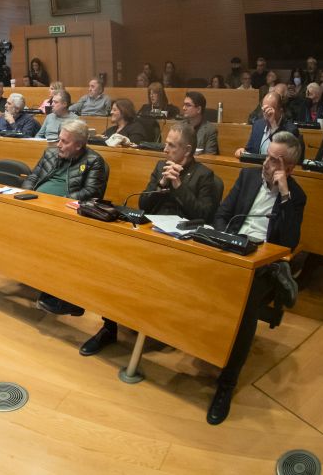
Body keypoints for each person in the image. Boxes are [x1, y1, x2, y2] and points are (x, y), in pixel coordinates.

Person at [80, 121, 220, 356]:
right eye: (166, 144)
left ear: (187, 150)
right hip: (151, 231)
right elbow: (143, 204)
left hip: (182, 241)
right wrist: (162, 183)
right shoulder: (160, 167)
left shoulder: (205, 176)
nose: (165, 150)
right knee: (114, 263)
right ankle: (109, 327)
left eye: (172, 146)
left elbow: (204, 216)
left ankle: (158, 326)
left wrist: (178, 185)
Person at [207, 132, 306, 425]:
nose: (266, 164)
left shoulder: (296, 196)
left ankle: (227, 383)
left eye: (275, 160)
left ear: (288, 168)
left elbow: (288, 242)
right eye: (267, 156)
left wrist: (285, 194)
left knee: (246, 302)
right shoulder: (248, 177)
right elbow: (222, 214)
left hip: (263, 260)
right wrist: (226, 239)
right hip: (230, 246)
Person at [0, 119, 108, 300]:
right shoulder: (50, 153)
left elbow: (91, 193)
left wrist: (55, 202)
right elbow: (32, 177)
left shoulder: (94, 161)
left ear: (80, 145)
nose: (59, 145)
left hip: (61, 215)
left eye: (65, 142)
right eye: (59, 139)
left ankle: (53, 290)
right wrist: (26, 196)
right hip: (32, 205)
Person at [237, 92, 299, 156]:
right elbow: (250, 151)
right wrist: (243, 152)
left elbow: (283, 154)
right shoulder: (258, 125)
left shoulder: (291, 130)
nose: (266, 115)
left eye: (269, 111)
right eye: (264, 110)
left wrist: (273, 125)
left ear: (281, 111)